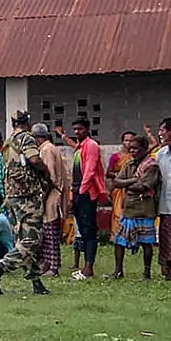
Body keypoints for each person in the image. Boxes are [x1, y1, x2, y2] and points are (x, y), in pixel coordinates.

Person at [0, 111, 52, 296]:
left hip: (12, 195)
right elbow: (34, 159)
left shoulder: (7, 142)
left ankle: (36, 283)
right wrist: (45, 171)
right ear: (27, 123)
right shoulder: (26, 138)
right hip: (27, 196)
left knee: (22, 240)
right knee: (32, 240)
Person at [110, 134, 160, 279]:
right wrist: (133, 180)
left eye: (135, 148)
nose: (132, 151)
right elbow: (116, 182)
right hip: (129, 208)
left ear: (144, 149)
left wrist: (129, 183)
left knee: (146, 242)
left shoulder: (151, 166)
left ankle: (146, 272)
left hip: (144, 209)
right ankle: (118, 270)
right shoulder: (129, 164)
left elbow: (144, 185)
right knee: (119, 241)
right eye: (130, 148)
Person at [69, 118, 106, 280]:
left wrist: (82, 192)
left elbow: (90, 171)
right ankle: (85, 267)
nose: (77, 132)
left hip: (87, 194)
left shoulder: (91, 146)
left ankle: (88, 268)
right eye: (75, 129)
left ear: (87, 129)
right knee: (82, 231)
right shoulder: (79, 148)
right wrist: (73, 194)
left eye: (80, 129)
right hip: (78, 192)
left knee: (89, 230)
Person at [33, 123, 71, 277]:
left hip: (51, 195)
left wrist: (42, 198)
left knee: (50, 234)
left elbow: (50, 177)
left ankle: (53, 267)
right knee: (46, 232)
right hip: (52, 194)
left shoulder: (47, 150)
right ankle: (46, 264)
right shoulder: (47, 148)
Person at [155, 117, 171, 280]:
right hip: (165, 206)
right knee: (168, 241)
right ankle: (169, 272)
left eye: (163, 130)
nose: (160, 133)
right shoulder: (161, 154)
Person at [107, 131, 138, 240]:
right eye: (126, 140)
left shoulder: (137, 157)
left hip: (134, 187)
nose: (128, 143)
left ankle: (132, 236)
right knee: (118, 212)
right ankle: (116, 236)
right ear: (122, 142)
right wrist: (119, 176)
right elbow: (109, 172)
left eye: (131, 140)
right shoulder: (115, 157)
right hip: (119, 188)